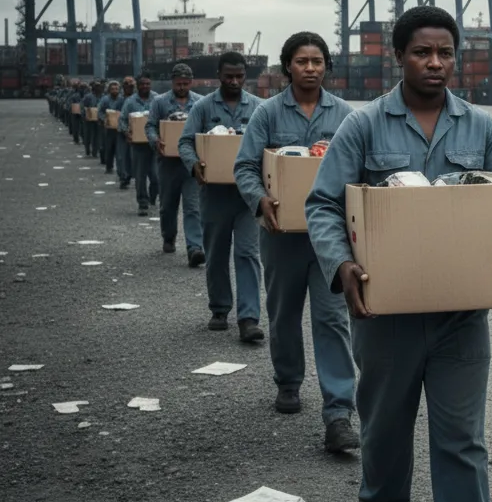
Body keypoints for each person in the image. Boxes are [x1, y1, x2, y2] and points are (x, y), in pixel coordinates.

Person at [306, 6, 492, 502]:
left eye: (445, 53)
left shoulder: (479, 127)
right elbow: (323, 202)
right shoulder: (364, 127)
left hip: (459, 316)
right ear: (398, 57)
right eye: (422, 52)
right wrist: (341, 266)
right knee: (386, 422)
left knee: (462, 442)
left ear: (457, 58)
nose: (435, 63)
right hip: (386, 311)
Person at [234, 32, 357, 453]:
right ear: (288, 66)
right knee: (283, 313)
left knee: (333, 319)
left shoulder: (345, 115)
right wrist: (260, 200)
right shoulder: (267, 114)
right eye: (302, 61)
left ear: (326, 67)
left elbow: (361, 170)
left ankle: (339, 411)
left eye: (318, 61)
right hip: (281, 236)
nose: (310, 68)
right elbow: (246, 166)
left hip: (330, 239)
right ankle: (288, 381)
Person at [179, 52, 264, 343]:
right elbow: (185, 142)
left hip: (247, 195)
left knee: (248, 253)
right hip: (213, 194)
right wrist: (194, 165)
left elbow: (273, 144)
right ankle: (219, 309)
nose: (234, 81)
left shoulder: (258, 107)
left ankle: (249, 318)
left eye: (240, 76)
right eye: (229, 76)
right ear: (219, 74)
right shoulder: (203, 107)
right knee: (215, 253)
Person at [146, 64, 204, 265]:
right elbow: (150, 125)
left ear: (191, 82)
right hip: (168, 163)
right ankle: (168, 236)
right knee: (168, 205)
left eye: (185, 83)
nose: (182, 87)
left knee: (193, 207)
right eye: (178, 83)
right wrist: (155, 141)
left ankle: (195, 247)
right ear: (172, 82)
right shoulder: (160, 102)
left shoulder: (200, 103)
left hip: (191, 163)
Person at [120, 74, 159, 216]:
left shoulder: (157, 99)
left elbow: (166, 116)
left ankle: (153, 196)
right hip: (138, 146)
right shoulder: (130, 102)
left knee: (156, 176)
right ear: (137, 85)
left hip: (154, 144)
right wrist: (127, 133)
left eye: (147, 84)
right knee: (140, 176)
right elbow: (123, 120)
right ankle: (142, 203)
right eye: (142, 84)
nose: (145, 87)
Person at [116, 76, 137, 189]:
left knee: (133, 156)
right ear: (123, 87)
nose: (129, 88)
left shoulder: (136, 99)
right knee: (122, 156)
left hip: (136, 131)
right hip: (122, 131)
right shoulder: (119, 100)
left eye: (131, 86)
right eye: (127, 86)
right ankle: (124, 177)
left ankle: (133, 175)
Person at [97, 80, 122, 173]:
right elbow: (100, 111)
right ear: (109, 90)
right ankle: (109, 166)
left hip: (120, 128)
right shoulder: (105, 99)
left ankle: (120, 169)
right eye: (112, 89)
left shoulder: (122, 99)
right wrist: (105, 119)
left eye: (116, 89)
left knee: (119, 150)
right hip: (108, 128)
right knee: (109, 148)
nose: (114, 90)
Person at [82, 81, 103, 158]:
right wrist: (85, 114)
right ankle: (87, 149)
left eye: (99, 87)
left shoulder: (102, 97)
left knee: (97, 136)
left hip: (98, 119)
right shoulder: (88, 96)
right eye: (97, 87)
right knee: (88, 135)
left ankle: (95, 151)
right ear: (93, 88)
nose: (98, 89)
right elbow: (83, 106)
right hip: (89, 119)